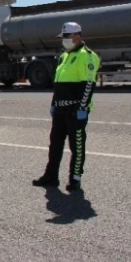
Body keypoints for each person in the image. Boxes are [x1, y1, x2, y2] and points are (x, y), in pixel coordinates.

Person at [33, 22, 100, 191]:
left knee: (76, 145)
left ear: (77, 36)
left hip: (74, 110)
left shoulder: (88, 56)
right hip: (60, 110)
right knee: (55, 144)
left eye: (66, 36)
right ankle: (51, 176)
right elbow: (58, 84)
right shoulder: (64, 56)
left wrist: (82, 109)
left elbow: (88, 86)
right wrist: (54, 104)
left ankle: (75, 178)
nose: (64, 40)